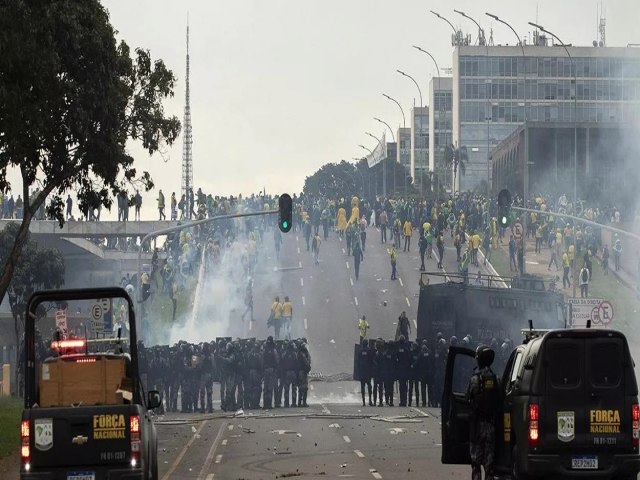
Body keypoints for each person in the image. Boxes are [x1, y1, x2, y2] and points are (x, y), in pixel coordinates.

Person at [466, 345, 499, 480]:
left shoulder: (474, 379)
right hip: (491, 426)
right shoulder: (496, 379)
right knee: (489, 465)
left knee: (476, 463)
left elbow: (466, 397)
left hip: (477, 427)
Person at [358, 338, 373, 407]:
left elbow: (358, 361)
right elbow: (371, 360)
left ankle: (363, 401)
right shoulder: (369, 350)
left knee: (362, 387)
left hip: (362, 372)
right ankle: (370, 400)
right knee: (369, 386)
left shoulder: (360, 351)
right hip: (368, 371)